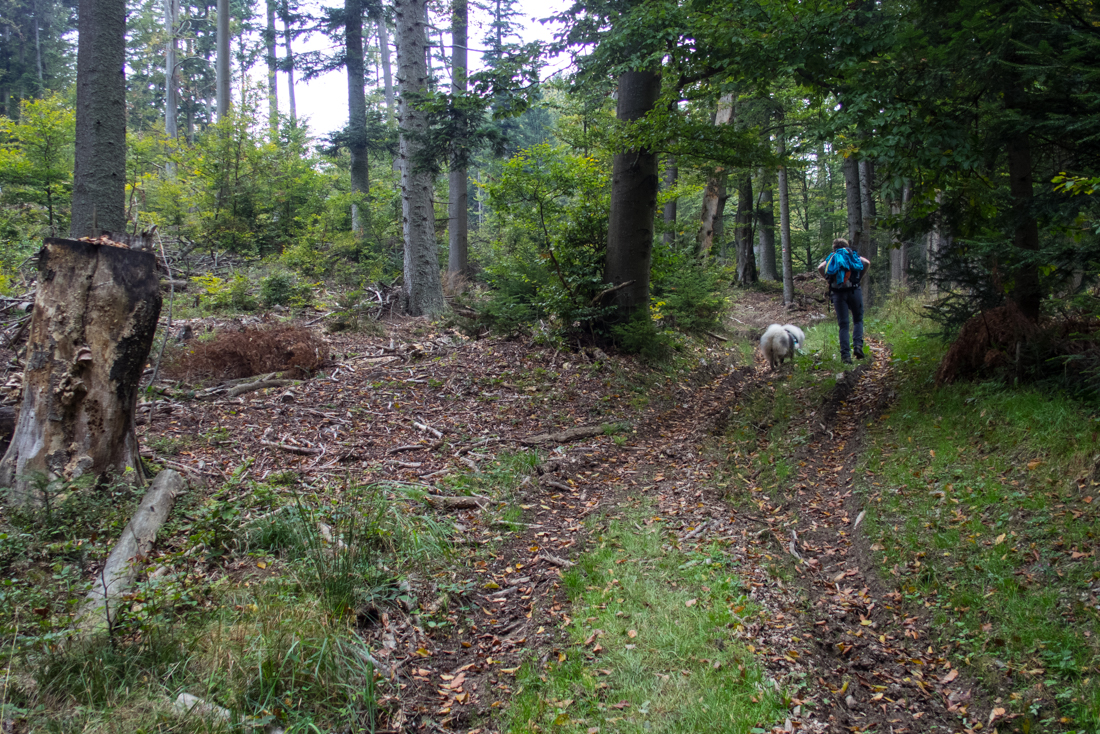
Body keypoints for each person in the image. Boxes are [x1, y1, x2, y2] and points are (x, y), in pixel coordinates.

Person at [818, 238, 871, 364]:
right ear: (847, 246)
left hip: (838, 294)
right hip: (854, 290)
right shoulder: (851, 255)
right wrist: (858, 279)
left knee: (843, 325)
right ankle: (858, 346)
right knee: (858, 320)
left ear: (834, 247)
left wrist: (829, 280)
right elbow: (866, 262)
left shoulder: (833, 257)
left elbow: (820, 267)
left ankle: (845, 356)